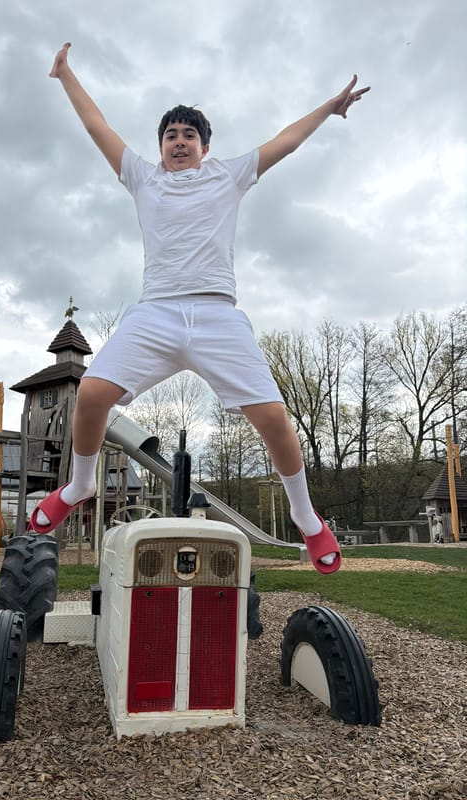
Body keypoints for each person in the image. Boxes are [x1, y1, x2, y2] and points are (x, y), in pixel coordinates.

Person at [30, 42, 370, 574]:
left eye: (189, 135)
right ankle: (79, 483)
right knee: (91, 394)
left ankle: (307, 518)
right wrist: (65, 75)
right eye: (171, 135)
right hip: (157, 313)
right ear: (160, 147)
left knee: (277, 420)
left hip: (217, 317)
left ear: (205, 146)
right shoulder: (143, 178)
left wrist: (329, 108)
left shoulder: (229, 175)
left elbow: (287, 140)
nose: (179, 142)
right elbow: (97, 126)